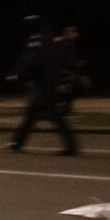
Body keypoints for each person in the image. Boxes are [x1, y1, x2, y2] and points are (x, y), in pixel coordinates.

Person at [8, 17, 80, 155]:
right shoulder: (51, 39)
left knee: (51, 115)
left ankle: (71, 147)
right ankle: (17, 143)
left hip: (43, 83)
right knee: (33, 114)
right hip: (52, 81)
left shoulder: (36, 40)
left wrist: (17, 75)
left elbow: (30, 60)